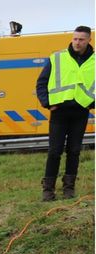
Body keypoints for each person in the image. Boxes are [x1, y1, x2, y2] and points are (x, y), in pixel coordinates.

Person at [36, 25, 93, 201]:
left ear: (89, 40)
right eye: (75, 38)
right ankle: (48, 190)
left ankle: (69, 188)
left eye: (81, 39)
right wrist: (47, 103)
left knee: (74, 151)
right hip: (59, 112)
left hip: (81, 112)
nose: (77, 42)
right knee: (54, 151)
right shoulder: (57, 57)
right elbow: (41, 83)